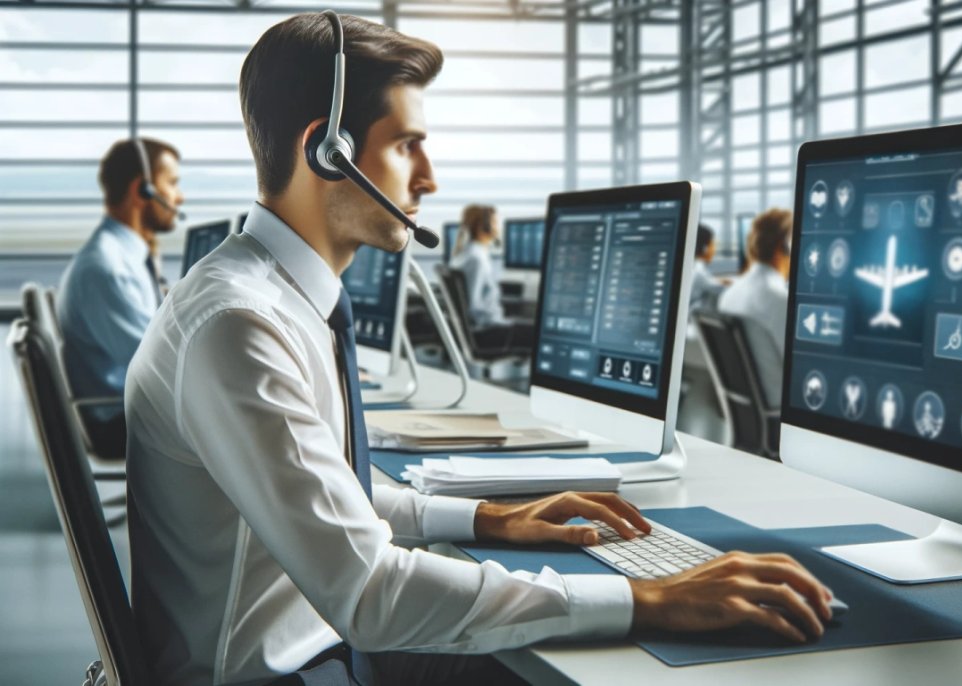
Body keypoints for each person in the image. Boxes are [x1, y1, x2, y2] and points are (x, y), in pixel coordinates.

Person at [125, 13, 833, 686]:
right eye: (407, 146)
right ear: (329, 151)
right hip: (290, 673)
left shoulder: (273, 298)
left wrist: (489, 519)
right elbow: (370, 591)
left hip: (320, 650)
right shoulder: (239, 324)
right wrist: (649, 598)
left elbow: (333, 495)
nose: (428, 177)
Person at [56, 137, 183, 458]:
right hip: (120, 421)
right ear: (143, 190)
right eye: (172, 184)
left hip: (128, 410)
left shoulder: (123, 256)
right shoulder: (108, 269)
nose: (179, 197)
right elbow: (158, 367)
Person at [717, 208, 793, 406]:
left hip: (746, 414)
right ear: (782, 246)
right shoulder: (780, 301)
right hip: (779, 413)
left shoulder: (729, 294)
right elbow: (799, 371)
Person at [449, 203, 535, 350]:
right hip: (487, 331)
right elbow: (474, 308)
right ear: (485, 227)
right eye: (495, 222)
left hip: (486, 328)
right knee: (542, 332)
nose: (497, 227)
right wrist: (505, 322)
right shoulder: (476, 259)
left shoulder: (467, 254)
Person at [689, 223, 727, 313]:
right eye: (713, 244)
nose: (714, 249)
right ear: (705, 248)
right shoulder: (698, 272)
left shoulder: (691, 267)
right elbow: (724, 290)